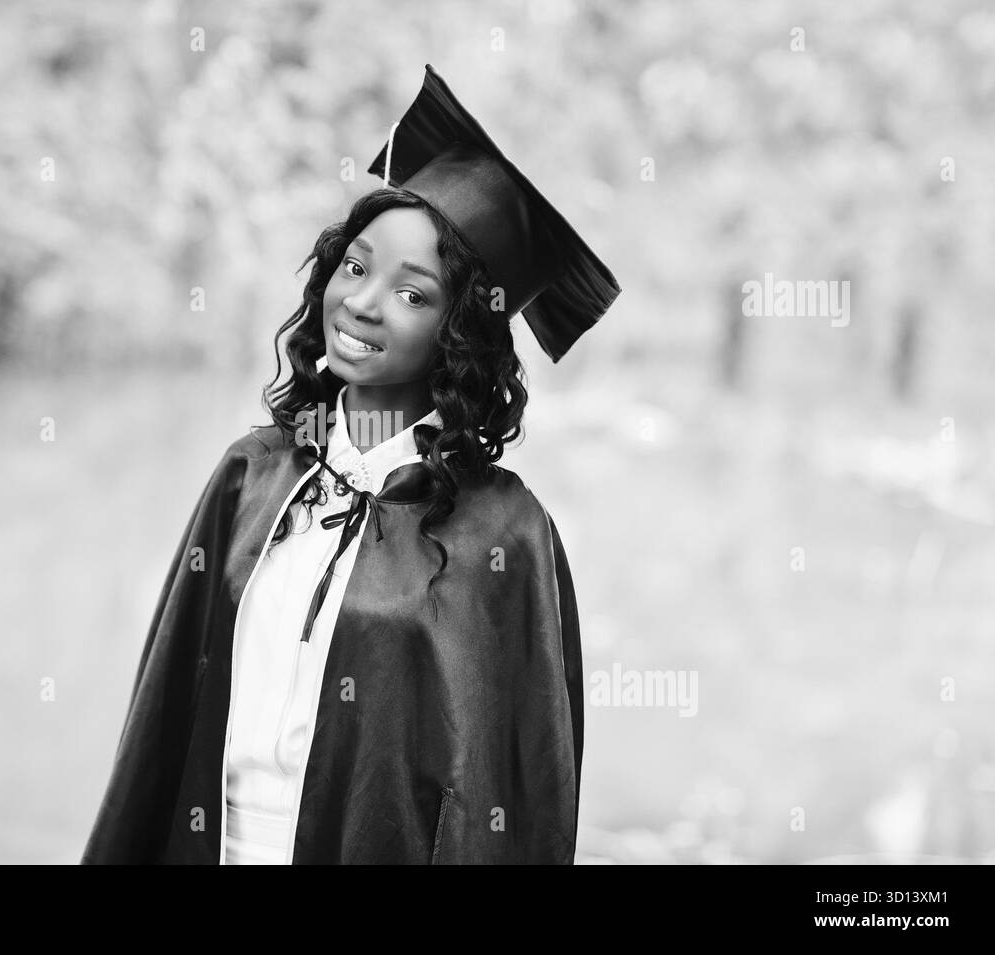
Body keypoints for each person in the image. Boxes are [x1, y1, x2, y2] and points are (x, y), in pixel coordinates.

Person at [81, 64, 621, 865]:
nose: (363, 303)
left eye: (413, 293)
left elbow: (518, 787)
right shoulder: (251, 477)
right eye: (357, 267)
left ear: (460, 329)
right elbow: (160, 723)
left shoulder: (505, 530)